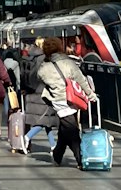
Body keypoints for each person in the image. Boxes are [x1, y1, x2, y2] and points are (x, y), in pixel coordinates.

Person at [33, 36, 96, 169]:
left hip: (57, 101)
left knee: (65, 130)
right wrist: (90, 95)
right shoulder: (68, 63)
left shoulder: (43, 68)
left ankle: (57, 155)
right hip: (71, 99)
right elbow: (81, 80)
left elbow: (39, 77)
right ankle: (81, 159)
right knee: (73, 131)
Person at [22, 37, 58, 153]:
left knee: (46, 120)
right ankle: (27, 137)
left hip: (32, 92)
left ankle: (53, 146)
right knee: (44, 119)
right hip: (43, 92)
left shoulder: (30, 57)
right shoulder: (44, 58)